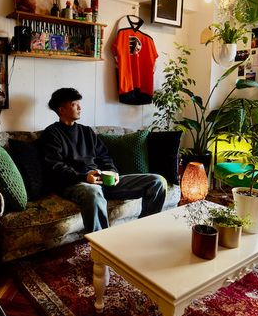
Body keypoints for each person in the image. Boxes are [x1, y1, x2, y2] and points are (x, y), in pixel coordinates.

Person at [41, 88, 166, 233]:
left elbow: (104, 156)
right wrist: (84, 177)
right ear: (61, 110)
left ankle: (145, 232)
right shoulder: (51, 134)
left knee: (157, 182)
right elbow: (55, 166)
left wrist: (112, 172)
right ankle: (100, 243)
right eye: (74, 104)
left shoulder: (87, 131)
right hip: (76, 183)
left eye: (79, 103)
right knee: (93, 192)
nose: (80, 108)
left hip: (101, 179)